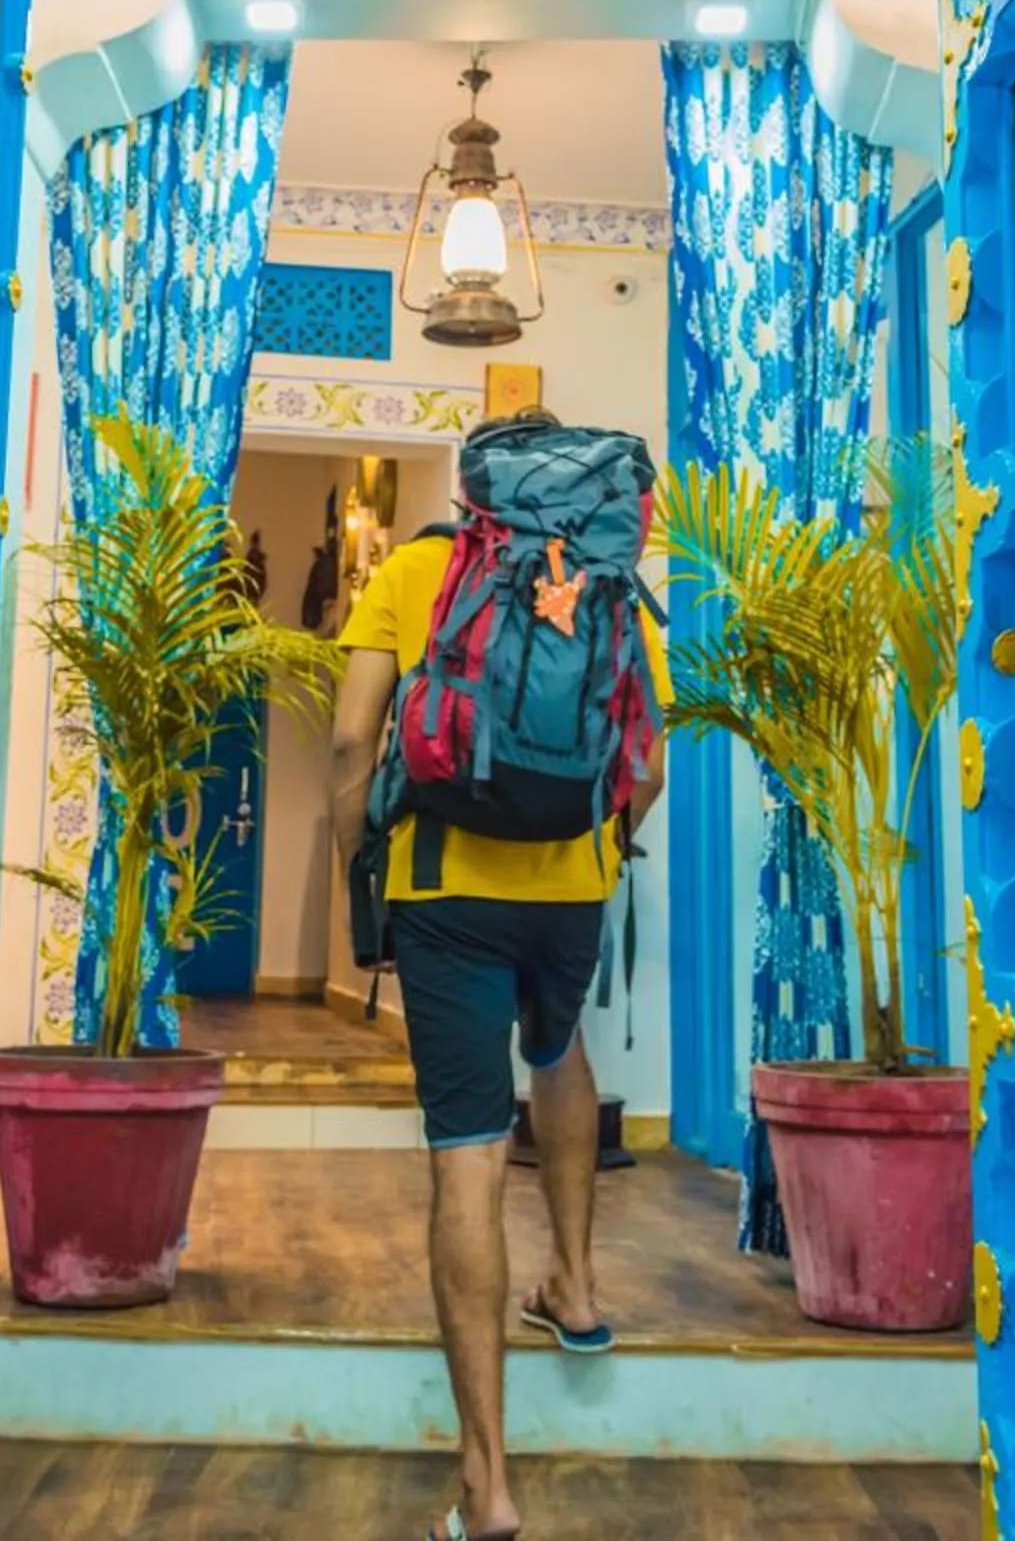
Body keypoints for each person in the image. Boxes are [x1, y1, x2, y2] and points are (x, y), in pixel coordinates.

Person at [328, 411, 668, 1541]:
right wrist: (601, 849)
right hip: (569, 885)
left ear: (476, 486)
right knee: (560, 1046)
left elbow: (348, 743)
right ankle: (573, 1285)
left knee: (466, 1152)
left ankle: (488, 1486)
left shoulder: (419, 568)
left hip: (444, 896)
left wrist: (355, 877)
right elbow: (647, 764)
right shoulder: (610, 575)